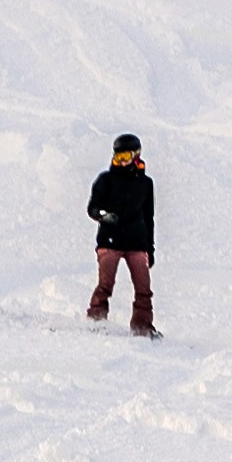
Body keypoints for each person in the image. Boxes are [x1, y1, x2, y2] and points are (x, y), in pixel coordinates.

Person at [86, 131, 159, 337]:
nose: (122, 162)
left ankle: (142, 328)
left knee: (143, 290)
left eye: (126, 157)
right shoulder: (106, 180)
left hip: (137, 243)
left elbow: (148, 217)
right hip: (110, 242)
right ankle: (95, 322)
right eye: (118, 157)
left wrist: (149, 249)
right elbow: (92, 208)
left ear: (136, 155)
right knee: (105, 285)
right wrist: (103, 216)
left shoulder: (145, 183)